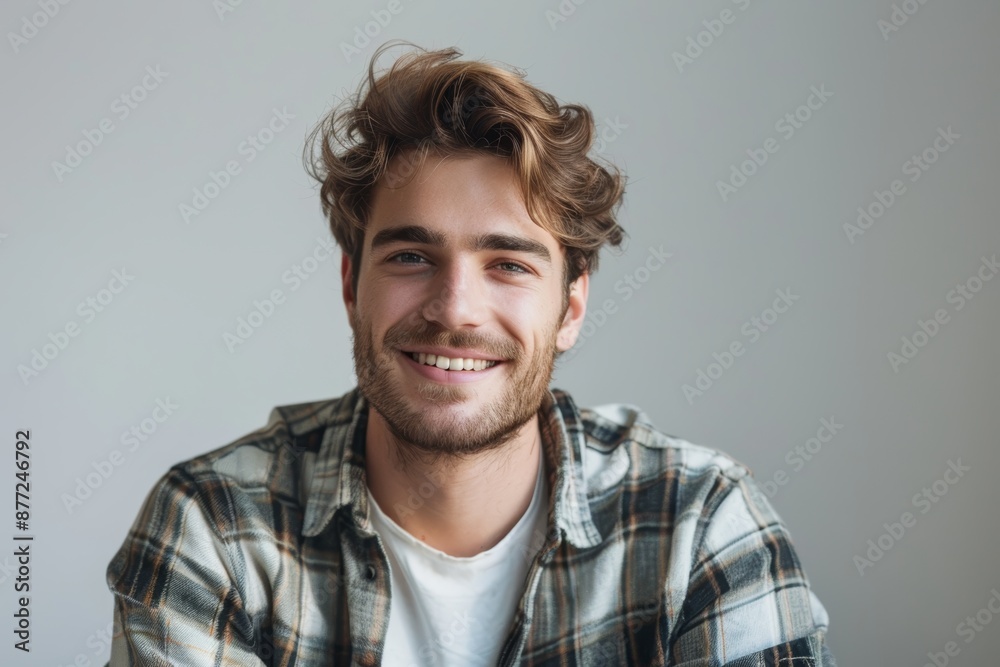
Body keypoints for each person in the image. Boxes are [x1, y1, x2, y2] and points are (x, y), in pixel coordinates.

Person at [105, 42, 835, 666]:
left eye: (509, 264)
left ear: (570, 306)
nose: (454, 308)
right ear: (352, 282)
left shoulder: (698, 525)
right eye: (412, 256)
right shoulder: (217, 528)